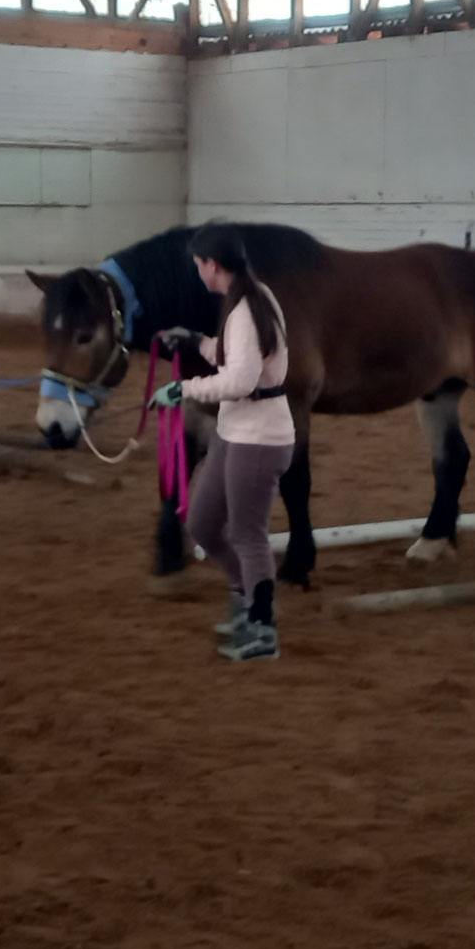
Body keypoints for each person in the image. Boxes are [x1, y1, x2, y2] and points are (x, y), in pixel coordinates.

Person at [152, 225, 293, 662]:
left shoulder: (249, 308)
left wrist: (183, 389)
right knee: (203, 524)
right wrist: (197, 342)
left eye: (198, 265)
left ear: (213, 266)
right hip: (234, 432)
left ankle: (262, 629)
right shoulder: (249, 300)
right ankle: (244, 596)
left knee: (248, 534)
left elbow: (241, 379)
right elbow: (238, 356)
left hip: (259, 438)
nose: (197, 272)